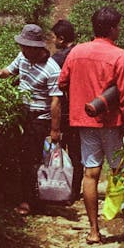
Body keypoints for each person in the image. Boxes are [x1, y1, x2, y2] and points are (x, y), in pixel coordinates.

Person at [58, 6, 124, 244]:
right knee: (121, 172)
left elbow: (63, 81)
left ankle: (93, 231)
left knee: (90, 174)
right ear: (113, 28)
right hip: (112, 123)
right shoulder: (121, 56)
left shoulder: (77, 51)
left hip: (84, 122)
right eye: (118, 26)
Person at [0, 23, 63, 216]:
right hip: (21, 113)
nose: (22, 50)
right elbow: (10, 70)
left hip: (39, 118)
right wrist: (0, 72)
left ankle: (29, 201)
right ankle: (24, 196)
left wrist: (55, 130)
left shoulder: (52, 69)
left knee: (30, 160)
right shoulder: (23, 56)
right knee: (21, 157)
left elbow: (56, 101)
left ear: (37, 47)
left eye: (26, 47)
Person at [49, 18, 83, 203]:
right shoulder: (81, 53)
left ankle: (57, 187)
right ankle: (74, 191)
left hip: (63, 109)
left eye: (54, 37)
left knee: (57, 150)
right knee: (76, 154)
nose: (53, 41)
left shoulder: (58, 59)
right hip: (81, 110)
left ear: (61, 39)